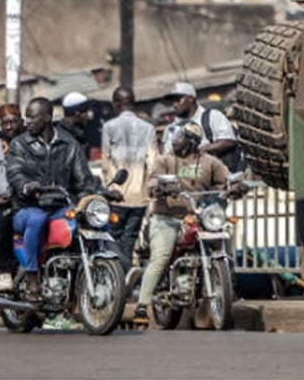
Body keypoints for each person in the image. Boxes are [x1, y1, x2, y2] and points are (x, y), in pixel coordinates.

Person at [133, 122, 231, 325]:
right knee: (161, 256)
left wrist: (237, 185)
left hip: (197, 216)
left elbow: (227, 178)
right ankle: (142, 305)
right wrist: (158, 188)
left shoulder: (209, 162)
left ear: (191, 141)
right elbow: (152, 181)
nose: (174, 140)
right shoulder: (165, 160)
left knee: (223, 242)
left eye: (180, 136)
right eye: (175, 135)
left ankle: (226, 289)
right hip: (166, 218)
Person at [5, 97, 103, 297]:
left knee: (89, 219)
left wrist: (94, 195)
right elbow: (15, 173)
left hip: (60, 207)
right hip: (27, 208)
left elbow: (83, 180)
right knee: (37, 218)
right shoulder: (19, 144)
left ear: (47, 118)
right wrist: (26, 186)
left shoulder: (69, 144)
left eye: (32, 117)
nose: (27, 122)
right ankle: (32, 275)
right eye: (26, 117)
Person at [100, 86, 157, 271]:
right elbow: (153, 162)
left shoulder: (109, 127)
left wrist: (108, 188)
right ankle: (124, 276)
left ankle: (118, 277)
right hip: (139, 197)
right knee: (129, 239)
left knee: (112, 238)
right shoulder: (148, 128)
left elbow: (105, 162)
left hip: (117, 196)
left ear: (116, 104)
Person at [161, 82, 243, 172]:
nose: (174, 104)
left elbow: (228, 141)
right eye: (172, 101)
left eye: (178, 100)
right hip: (186, 178)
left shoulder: (212, 116)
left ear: (191, 99)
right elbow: (167, 156)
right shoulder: (171, 128)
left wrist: (200, 151)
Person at [0, 103, 25, 291]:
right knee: (5, 218)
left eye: (13, 122)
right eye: (5, 123)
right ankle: (4, 271)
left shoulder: (31, 142)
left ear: (21, 122)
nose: (9, 126)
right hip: (0, 204)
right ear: (1, 125)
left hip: (28, 202)